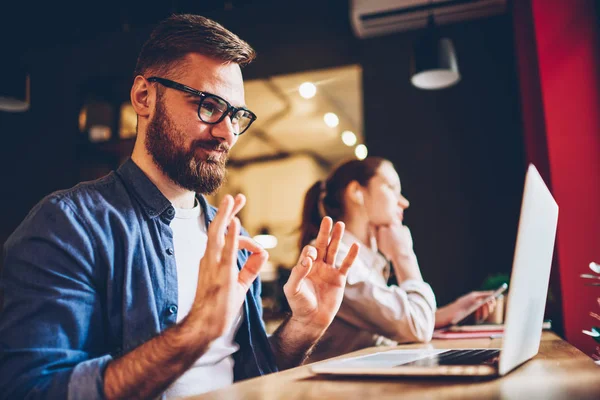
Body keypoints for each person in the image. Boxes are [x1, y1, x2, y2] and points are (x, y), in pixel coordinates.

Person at [0, 14, 360, 400]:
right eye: (207, 105)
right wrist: (195, 332)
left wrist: (304, 327)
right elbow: (30, 389)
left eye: (237, 115)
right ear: (144, 97)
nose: (226, 132)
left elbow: (250, 376)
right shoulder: (69, 226)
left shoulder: (236, 244)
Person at [299, 157, 496, 361]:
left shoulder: (363, 258)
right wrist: (404, 255)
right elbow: (418, 328)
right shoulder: (336, 259)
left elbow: (390, 322)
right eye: (392, 187)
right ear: (356, 192)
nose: (404, 202)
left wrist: (447, 314)